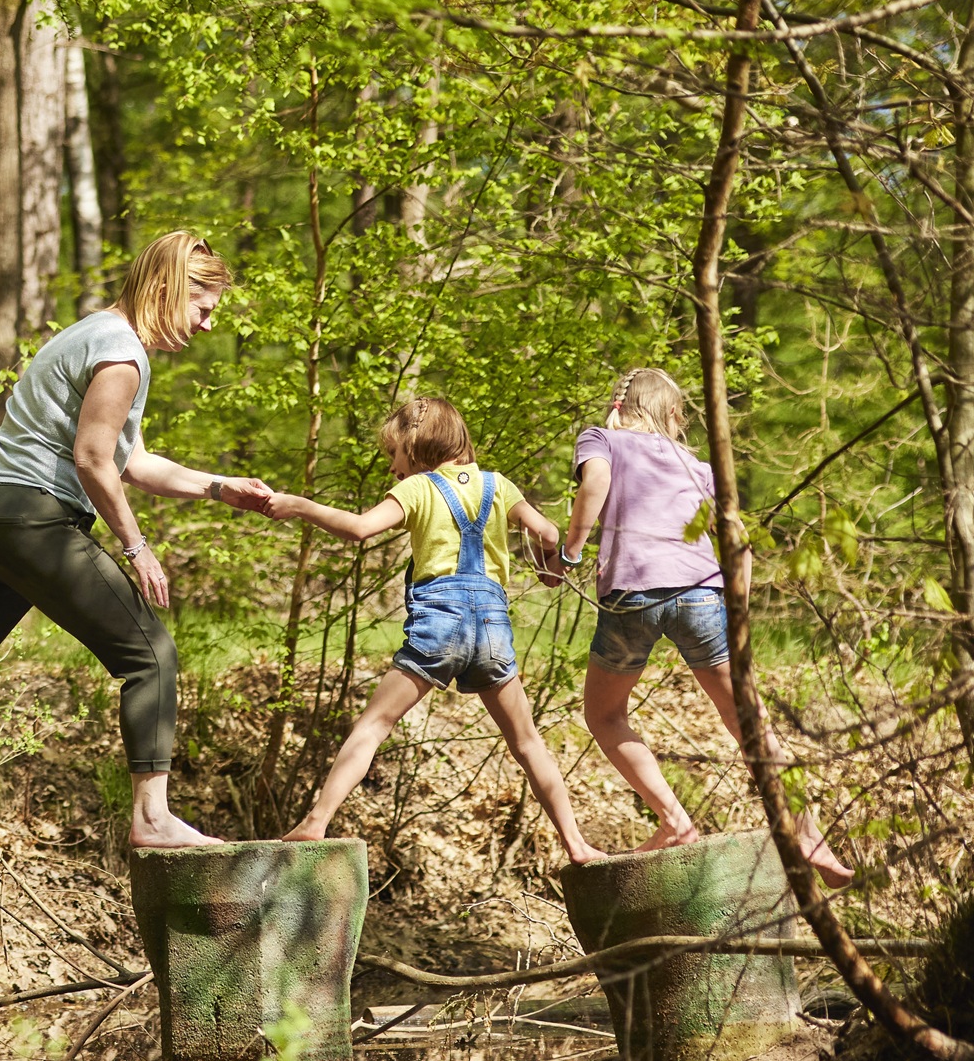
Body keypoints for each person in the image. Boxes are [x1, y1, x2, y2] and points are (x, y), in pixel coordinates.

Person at [0, 231, 272, 852]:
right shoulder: (122, 354)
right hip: (33, 518)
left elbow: (132, 462)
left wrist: (219, 488)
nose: (204, 323)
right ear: (167, 288)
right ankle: (153, 819)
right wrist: (138, 549)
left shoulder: (91, 334)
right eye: (203, 307)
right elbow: (93, 460)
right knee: (150, 654)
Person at [551, 371, 850, 886]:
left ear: (619, 406)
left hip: (634, 596)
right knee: (746, 718)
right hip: (702, 595)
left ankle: (674, 821)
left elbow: (595, 483)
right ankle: (808, 832)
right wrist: (738, 607)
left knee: (603, 714)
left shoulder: (602, 439)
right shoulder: (697, 466)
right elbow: (739, 538)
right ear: (672, 416)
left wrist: (569, 554)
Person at [270, 396, 597, 862]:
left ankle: (315, 822)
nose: (392, 467)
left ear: (414, 444)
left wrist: (300, 505)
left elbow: (360, 529)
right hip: (492, 628)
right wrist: (552, 565)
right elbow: (547, 533)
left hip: (438, 624)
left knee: (374, 725)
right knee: (526, 742)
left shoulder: (418, 489)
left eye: (393, 455)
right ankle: (577, 843)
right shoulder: (498, 484)